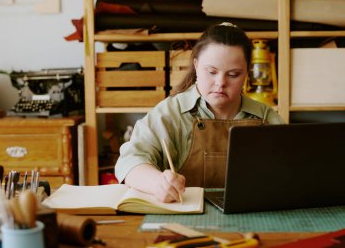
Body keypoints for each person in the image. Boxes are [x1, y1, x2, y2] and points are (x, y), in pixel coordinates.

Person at [115, 22, 284, 203]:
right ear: (196, 65)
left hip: (251, 218)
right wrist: (157, 182)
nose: (220, 83)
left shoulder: (266, 118)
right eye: (211, 72)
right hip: (183, 220)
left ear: (246, 74)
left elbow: (292, 170)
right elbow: (129, 161)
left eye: (233, 74)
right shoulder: (170, 113)